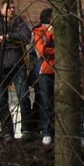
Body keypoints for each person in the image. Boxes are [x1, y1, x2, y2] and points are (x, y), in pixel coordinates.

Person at [0, 0, 32, 141]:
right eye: (8, 8)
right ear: (2, 10)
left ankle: (26, 129)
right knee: (1, 99)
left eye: (13, 7)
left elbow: (26, 37)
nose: (11, 10)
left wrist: (7, 37)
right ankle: (7, 131)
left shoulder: (20, 24)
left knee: (23, 96)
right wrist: (12, 40)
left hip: (18, 64)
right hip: (1, 66)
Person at [33, 8, 55, 145]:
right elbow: (42, 50)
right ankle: (46, 131)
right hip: (45, 70)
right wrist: (57, 50)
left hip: (57, 70)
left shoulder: (57, 31)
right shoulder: (39, 31)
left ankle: (55, 130)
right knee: (46, 102)